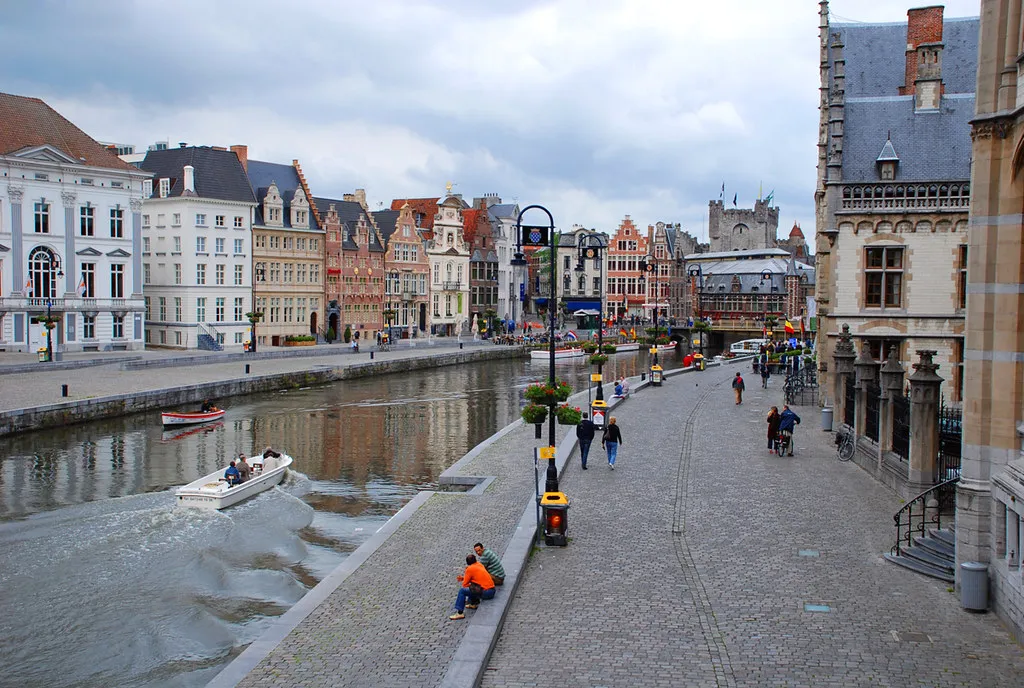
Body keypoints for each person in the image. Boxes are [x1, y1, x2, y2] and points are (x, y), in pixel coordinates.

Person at [449, 553, 495, 620]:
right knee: (473, 586)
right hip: (492, 590)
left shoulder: (470, 569)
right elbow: (477, 579)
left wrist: (466, 577)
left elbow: (464, 585)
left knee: (462, 591)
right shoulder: (479, 564)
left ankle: (460, 613)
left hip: (486, 592)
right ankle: (473, 603)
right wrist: (464, 578)